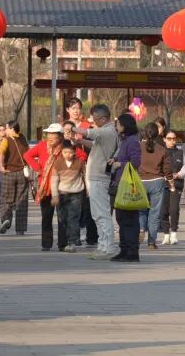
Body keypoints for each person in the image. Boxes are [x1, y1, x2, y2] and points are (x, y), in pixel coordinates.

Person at [77, 104, 119, 260]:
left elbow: (90, 132)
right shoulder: (105, 133)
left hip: (99, 178)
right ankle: (103, 246)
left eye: (94, 119)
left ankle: (108, 247)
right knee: (97, 214)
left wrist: (72, 128)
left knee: (102, 214)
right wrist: (79, 141)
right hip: (95, 177)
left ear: (103, 118)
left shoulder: (108, 131)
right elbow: (93, 143)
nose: (92, 122)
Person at [25, 123, 73, 251]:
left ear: (60, 136)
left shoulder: (66, 147)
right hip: (46, 188)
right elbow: (27, 156)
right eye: (48, 134)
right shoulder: (42, 146)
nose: (50, 137)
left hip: (62, 187)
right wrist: (38, 169)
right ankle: (46, 244)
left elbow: (80, 156)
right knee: (46, 217)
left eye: (53, 134)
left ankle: (63, 244)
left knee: (63, 217)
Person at [110, 113, 143, 262]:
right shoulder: (124, 141)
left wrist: (120, 164)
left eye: (118, 124)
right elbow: (124, 157)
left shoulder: (133, 141)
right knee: (121, 218)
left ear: (124, 126)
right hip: (120, 183)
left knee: (129, 219)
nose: (116, 127)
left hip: (128, 185)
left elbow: (135, 162)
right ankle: (123, 250)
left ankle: (132, 251)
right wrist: (115, 159)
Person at [137, 123, 172, 249]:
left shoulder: (138, 147)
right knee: (154, 213)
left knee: (141, 210)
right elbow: (167, 169)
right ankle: (152, 242)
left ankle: (141, 229)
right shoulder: (162, 149)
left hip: (140, 181)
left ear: (144, 133)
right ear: (157, 134)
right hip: (157, 181)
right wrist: (171, 181)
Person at [51, 141, 87, 252]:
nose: (68, 155)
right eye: (65, 152)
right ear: (61, 152)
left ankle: (72, 242)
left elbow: (86, 176)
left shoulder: (80, 162)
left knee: (73, 218)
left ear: (74, 152)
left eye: (70, 152)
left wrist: (88, 191)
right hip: (62, 193)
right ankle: (63, 241)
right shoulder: (57, 163)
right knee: (62, 219)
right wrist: (55, 195)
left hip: (76, 193)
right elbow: (54, 180)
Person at [0, 120, 31, 236]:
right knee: (22, 200)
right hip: (22, 173)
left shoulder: (6, 140)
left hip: (9, 172)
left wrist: (2, 166)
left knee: (6, 199)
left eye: (6, 128)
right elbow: (28, 153)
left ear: (12, 129)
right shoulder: (23, 138)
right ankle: (20, 228)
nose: (5, 130)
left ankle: (6, 219)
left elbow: (0, 153)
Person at [158, 130, 185, 245]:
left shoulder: (180, 152)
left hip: (176, 184)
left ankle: (174, 233)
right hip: (163, 185)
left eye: (174, 139)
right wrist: (162, 176)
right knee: (163, 211)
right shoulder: (160, 152)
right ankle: (166, 234)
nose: (172, 141)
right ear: (164, 139)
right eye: (169, 139)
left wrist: (178, 175)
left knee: (174, 209)